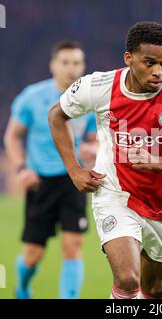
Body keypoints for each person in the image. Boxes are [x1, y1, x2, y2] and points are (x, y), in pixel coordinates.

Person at [48, 21, 162, 299]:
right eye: (149, 62)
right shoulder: (99, 85)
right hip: (115, 193)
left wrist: (155, 162)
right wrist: (74, 169)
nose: (158, 71)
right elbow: (57, 115)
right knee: (128, 279)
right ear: (129, 58)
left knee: (155, 289)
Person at [4, 41, 97, 299]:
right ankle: (22, 287)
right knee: (33, 255)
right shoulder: (32, 97)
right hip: (40, 182)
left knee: (73, 246)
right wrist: (21, 168)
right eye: (65, 62)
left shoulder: (89, 101)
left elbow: (95, 138)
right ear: (53, 66)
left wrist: (93, 148)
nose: (71, 68)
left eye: (77, 62)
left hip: (74, 179)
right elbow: (12, 136)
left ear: (83, 66)